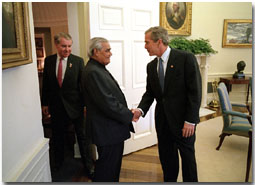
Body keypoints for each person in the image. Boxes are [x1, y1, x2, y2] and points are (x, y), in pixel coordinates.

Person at [133, 26, 202, 182]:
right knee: (167, 159)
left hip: (184, 122)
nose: (145, 46)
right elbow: (150, 93)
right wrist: (140, 110)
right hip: (163, 122)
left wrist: (191, 120)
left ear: (159, 42)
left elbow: (195, 92)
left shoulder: (186, 58)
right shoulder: (151, 66)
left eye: (147, 42)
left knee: (188, 160)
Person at [81, 37, 136, 182]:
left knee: (111, 169)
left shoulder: (98, 69)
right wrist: (129, 115)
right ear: (95, 52)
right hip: (107, 131)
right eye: (107, 50)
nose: (110, 53)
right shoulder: (93, 72)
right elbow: (108, 103)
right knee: (107, 171)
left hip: (110, 130)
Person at [41, 32, 94, 178]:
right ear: (57, 45)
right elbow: (46, 84)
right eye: (64, 46)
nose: (67, 49)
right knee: (57, 137)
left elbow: (82, 86)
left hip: (76, 107)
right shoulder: (49, 61)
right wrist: (45, 103)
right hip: (57, 107)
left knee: (83, 138)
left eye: (69, 46)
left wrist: (85, 106)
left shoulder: (78, 61)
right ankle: (58, 165)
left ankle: (89, 167)